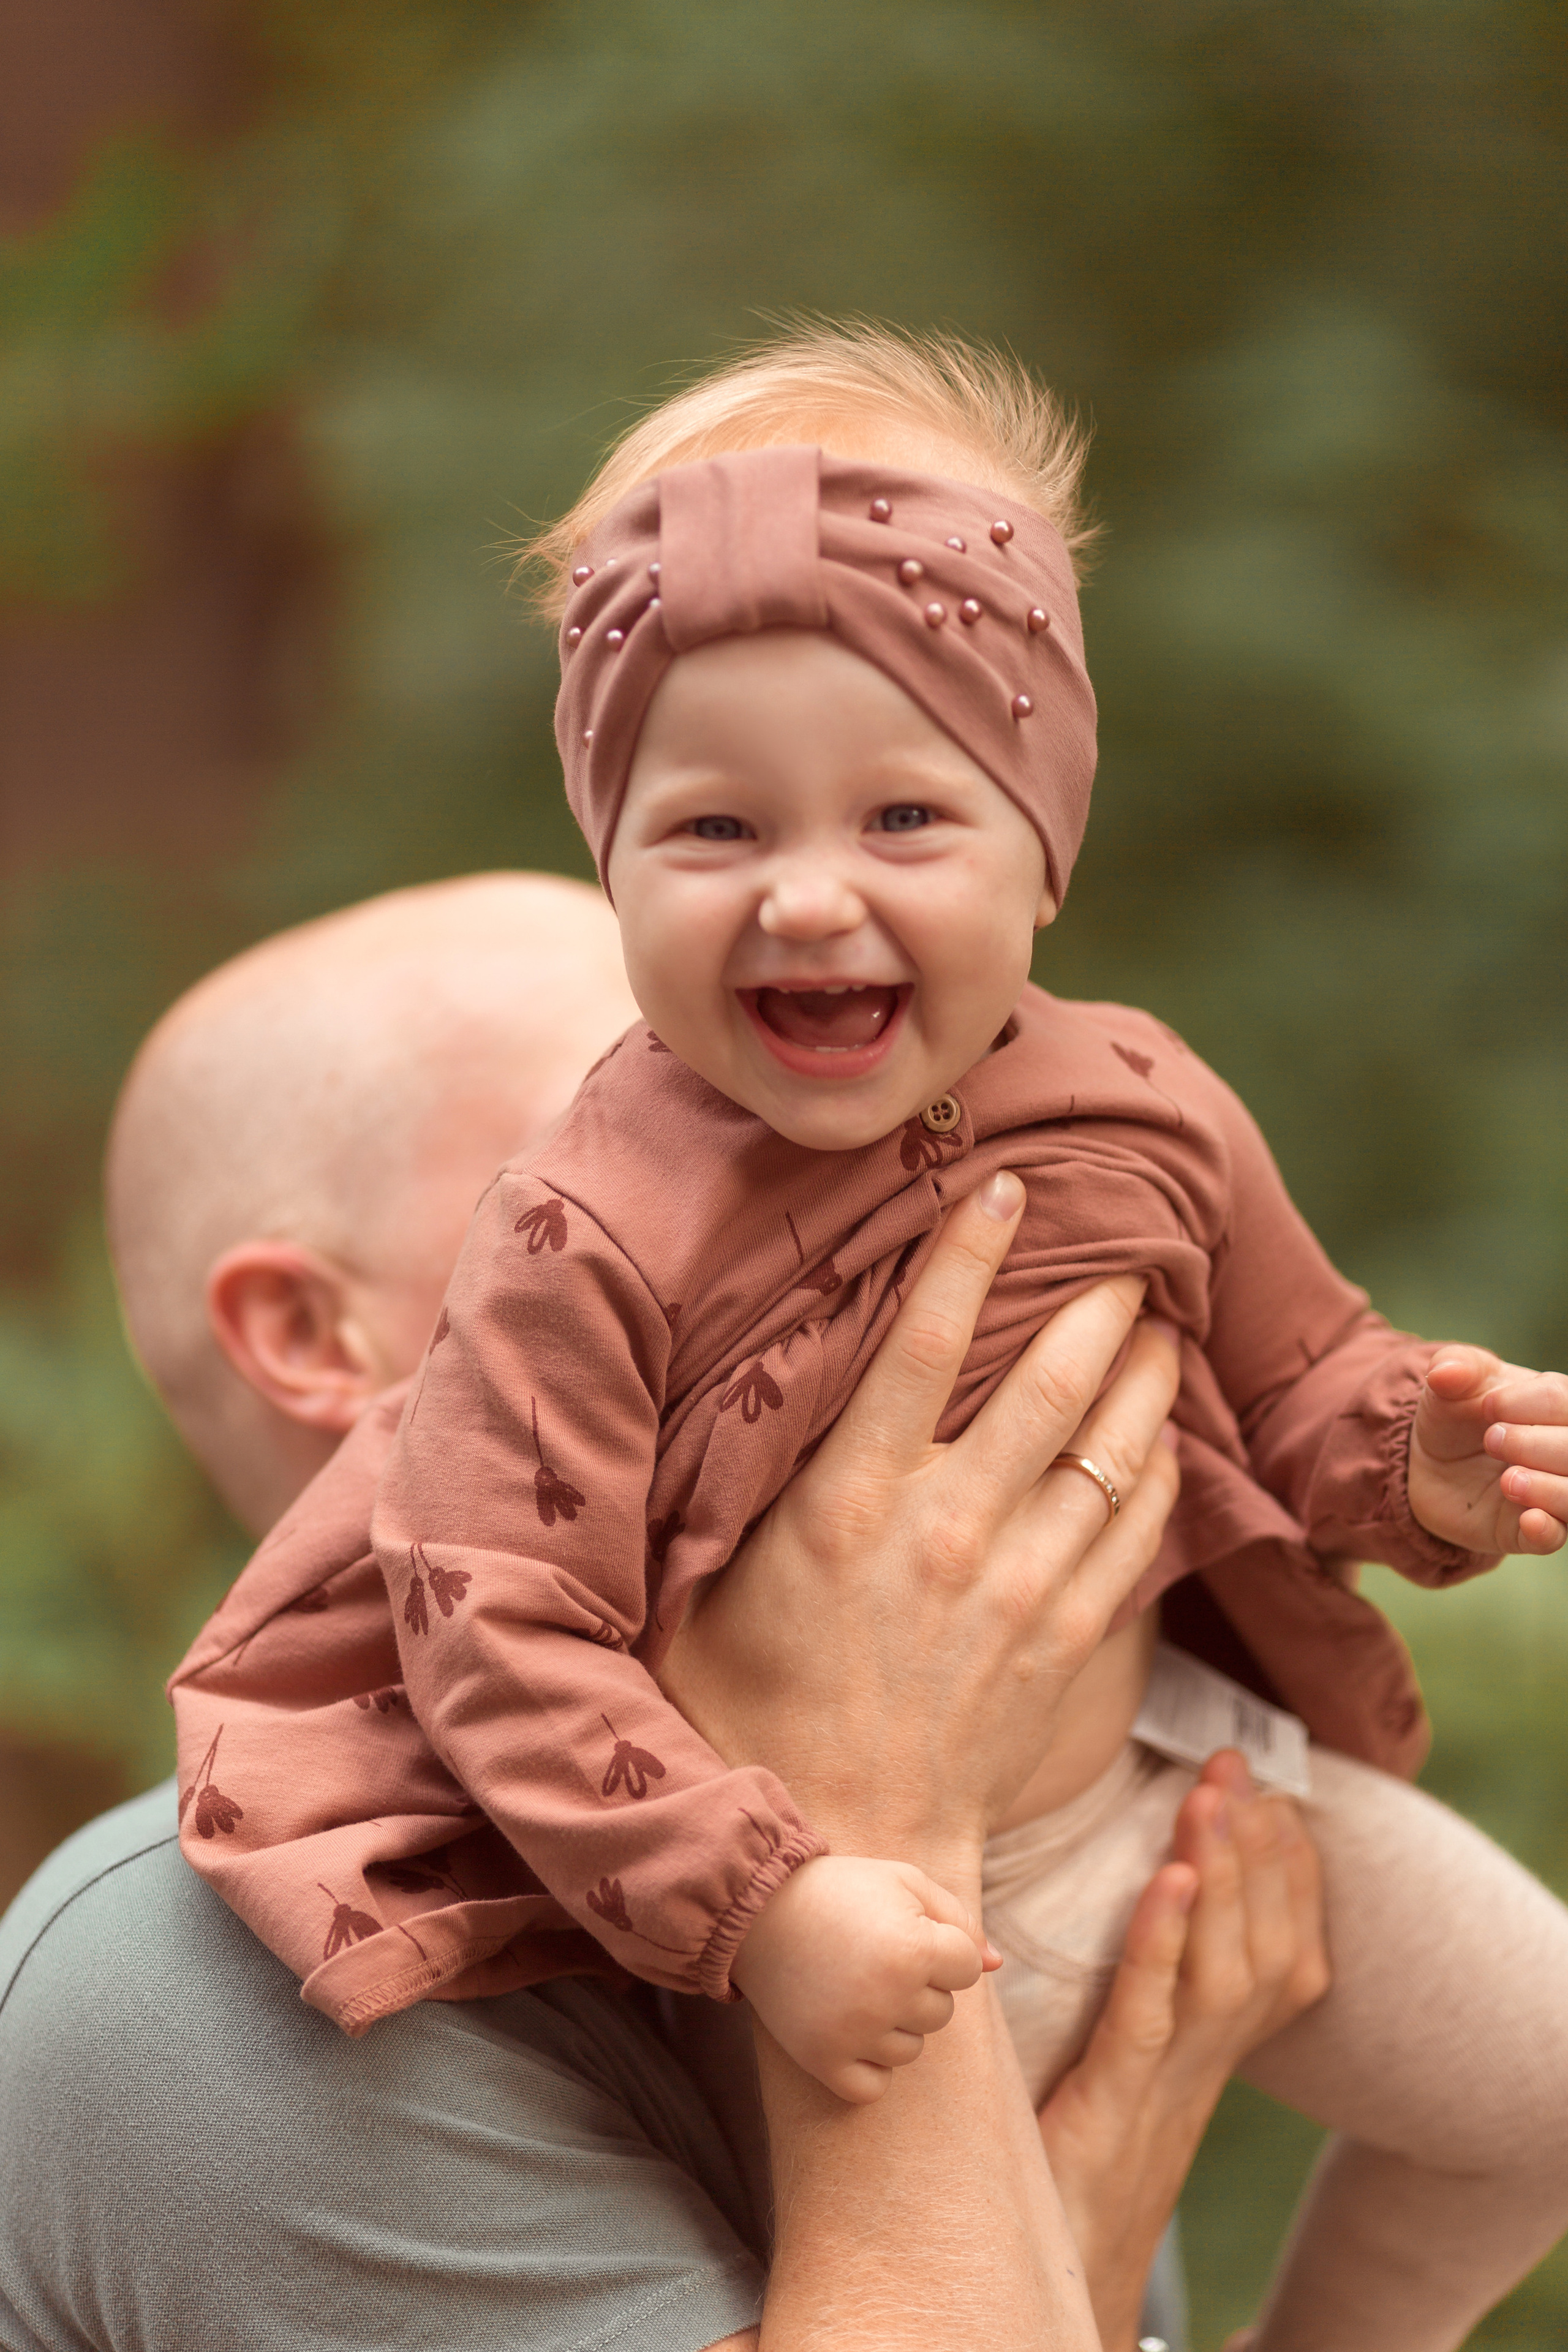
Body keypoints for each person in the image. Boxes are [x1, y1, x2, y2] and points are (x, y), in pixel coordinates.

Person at [173, 328, 1568, 2346]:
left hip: (1179, 1787)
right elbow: (493, 1616)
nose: (808, 900)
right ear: (616, 860)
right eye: (716, 832)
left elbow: (1303, 1373)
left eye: (904, 819)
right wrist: (763, 1904)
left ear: (1042, 844)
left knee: (1537, 2090)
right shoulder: (581, 1236)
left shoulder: (1150, 1102)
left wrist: (1418, 1463)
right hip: (817, 1893)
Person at [0, 873, 1327, 2352]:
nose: (863, 1209)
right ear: (315, 1337)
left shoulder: (976, 1870)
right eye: (656, 1148)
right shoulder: (203, 1998)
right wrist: (872, 1806)